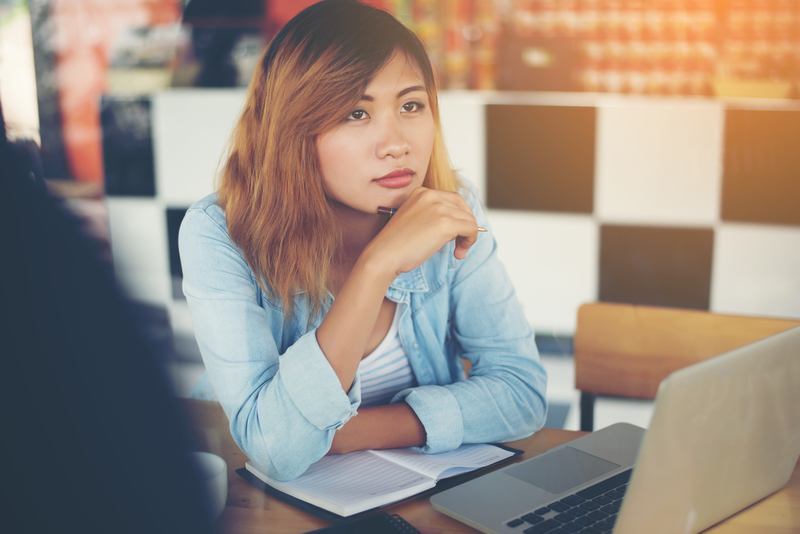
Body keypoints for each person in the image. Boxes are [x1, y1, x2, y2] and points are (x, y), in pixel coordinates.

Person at [179, 0, 547, 482]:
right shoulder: (219, 232)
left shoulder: (451, 206)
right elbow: (274, 447)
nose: (396, 143)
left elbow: (523, 396)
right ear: (294, 129)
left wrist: (341, 433)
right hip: (249, 498)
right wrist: (377, 266)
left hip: (410, 496)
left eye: (411, 105)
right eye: (356, 113)